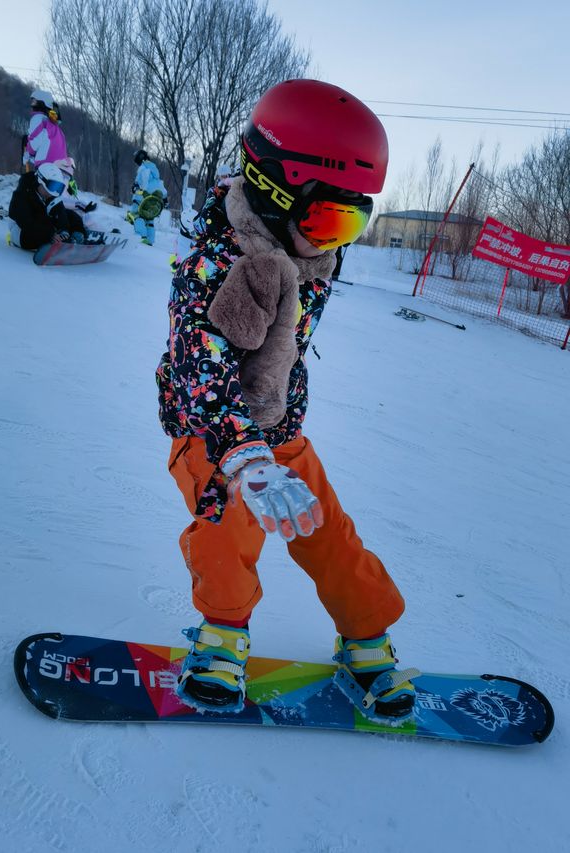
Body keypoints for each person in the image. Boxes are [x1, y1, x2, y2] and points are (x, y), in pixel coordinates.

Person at [156, 79, 418, 720]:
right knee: (228, 531)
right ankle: (222, 638)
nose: (335, 242)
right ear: (274, 193)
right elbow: (199, 361)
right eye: (328, 220)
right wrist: (243, 455)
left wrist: (270, 442)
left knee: (330, 534)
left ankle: (366, 639)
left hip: (282, 434)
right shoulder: (218, 268)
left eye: (352, 222)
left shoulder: (306, 256)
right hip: (214, 436)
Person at [8, 162, 87, 250]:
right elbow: (26, 222)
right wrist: (50, 235)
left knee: (70, 215)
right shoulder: (21, 195)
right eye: (53, 186)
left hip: (45, 226)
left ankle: (78, 235)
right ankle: (53, 243)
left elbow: (61, 214)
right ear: (41, 181)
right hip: (21, 231)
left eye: (58, 187)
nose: (55, 191)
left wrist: (65, 230)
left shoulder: (50, 194)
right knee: (42, 225)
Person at [126, 149, 167, 245]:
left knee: (135, 215)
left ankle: (141, 236)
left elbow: (142, 183)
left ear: (139, 158)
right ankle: (150, 240)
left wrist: (136, 188)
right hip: (154, 201)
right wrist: (165, 200)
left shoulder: (143, 168)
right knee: (149, 219)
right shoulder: (155, 171)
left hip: (142, 198)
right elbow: (161, 187)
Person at [22, 89, 68, 173]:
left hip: (45, 165)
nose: (32, 105)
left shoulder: (38, 118)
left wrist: (28, 152)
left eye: (34, 101)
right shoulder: (54, 126)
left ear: (41, 103)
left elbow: (35, 142)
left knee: (25, 183)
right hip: (60, 168)